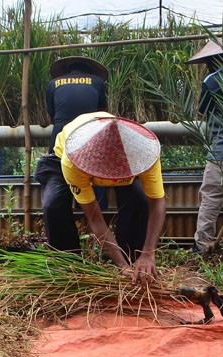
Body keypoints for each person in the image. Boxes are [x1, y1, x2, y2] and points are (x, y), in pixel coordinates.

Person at [36, 56, 150, 256]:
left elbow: (52, 115)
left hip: (66, 149)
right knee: (138, 197)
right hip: (93, 145)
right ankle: (129, 253)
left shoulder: (52, 84)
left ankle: (68, 256)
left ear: (67, 71)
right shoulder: (97, 83)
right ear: (89, 72)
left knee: (52, 203)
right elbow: (101, 112)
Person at [47, 111, 167, 284]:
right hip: (62, 156)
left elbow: (157, 201)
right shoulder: (72, 161)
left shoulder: (145, 152)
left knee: (140, 200)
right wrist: (121, 267)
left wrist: (148, 252)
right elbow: (94, 217)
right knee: (53, 205)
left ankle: (136, 259)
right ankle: (67, 267)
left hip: (125, 153)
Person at [187, 39, 223, 253]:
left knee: (211, 194)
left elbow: (201, 113)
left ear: (213, 61)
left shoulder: (213, 80)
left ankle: (203, 244)